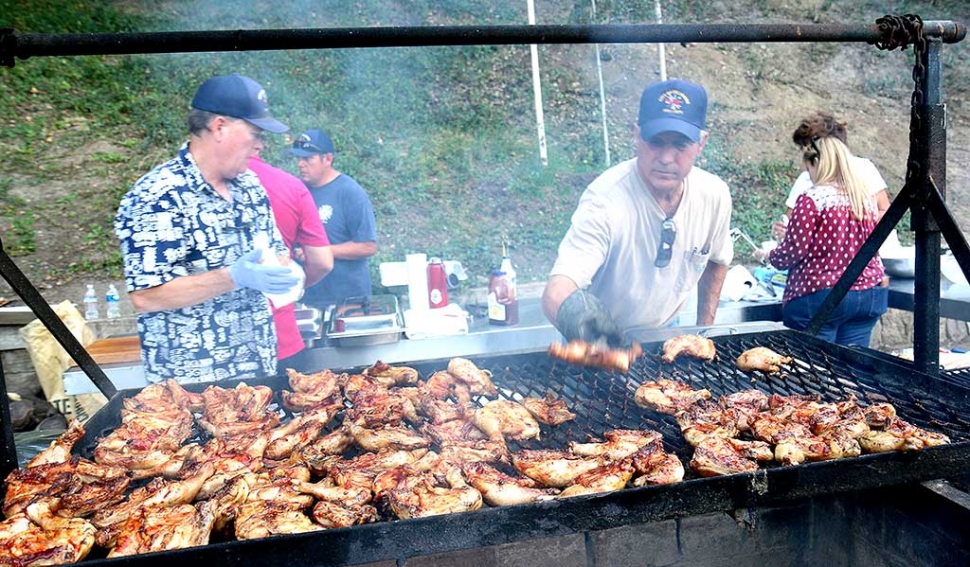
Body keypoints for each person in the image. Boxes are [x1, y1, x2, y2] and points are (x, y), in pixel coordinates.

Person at [115, 74, 299, 383]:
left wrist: (285, 272)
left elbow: (276, 254)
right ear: (219, 126)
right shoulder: (158, 195)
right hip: (192, 390)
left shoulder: (250, 186)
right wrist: (233, 277)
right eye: (254, 133)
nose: (260, 145)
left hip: (258, 376)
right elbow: (147, 296)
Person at [541, 79, 733, 344]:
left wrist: (703, 333)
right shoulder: (605, 200)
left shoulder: (714, 195)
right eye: (655, 142)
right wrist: (599, 339)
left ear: (701, 143)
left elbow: (718, 260)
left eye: (680, 144)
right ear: (636, 135)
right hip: (596, 336)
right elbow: (558, 289)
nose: (666, 158)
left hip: (666, 331)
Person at [754, 113, 888, 347]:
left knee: (815, 373)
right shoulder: (864, 197)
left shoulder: (812, 199)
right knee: (853, 371)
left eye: (808, 167)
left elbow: (793, 252)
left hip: (821, 299)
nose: (808, 173)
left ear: (818, 162)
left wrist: (768, 256)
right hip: (868, 295)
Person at [248, 154, 334, 372]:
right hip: (281, 339)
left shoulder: (189, 185)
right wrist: (294, 286)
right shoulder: (288, 185)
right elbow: (322, 262)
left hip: (211, 352)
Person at [289, 129, 378, 309]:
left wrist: (321, 252)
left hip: (349, 300)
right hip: (310, 299)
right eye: (298, 158)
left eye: (308, 158)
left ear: (328, 159)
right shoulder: (298, 191)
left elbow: (368, 246)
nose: (300, 164)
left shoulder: (349, 192)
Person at [771, 112, 889, 241]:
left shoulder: (863, 169)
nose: (806, 159)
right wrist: (782, 231)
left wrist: (858, 236)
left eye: (809, 151)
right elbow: (790, 222)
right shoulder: (805, 179)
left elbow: (885, 211)